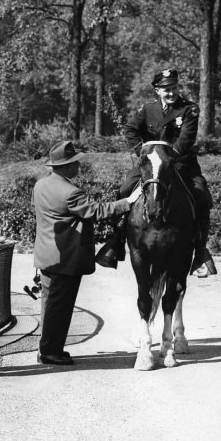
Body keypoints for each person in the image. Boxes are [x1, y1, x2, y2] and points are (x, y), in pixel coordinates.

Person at [32, 140, 141, 366]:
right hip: (66, 260)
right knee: (60, 308)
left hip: (46, 256)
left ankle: (46, 348)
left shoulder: (40, 185)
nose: (78, 166)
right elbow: (96, 211)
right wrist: (128, 201)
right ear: (65, 165)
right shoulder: (71, 191)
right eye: (75, 162)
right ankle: (51, 352)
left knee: (48, 305)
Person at [120, 67, 217, 278]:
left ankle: (200, 251)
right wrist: (143, 152)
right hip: (150, 164)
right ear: (157, 90)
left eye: (173, 88)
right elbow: (130, 130)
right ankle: (116, 241)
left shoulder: (189, 109)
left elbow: (186, 140)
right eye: (166, 89)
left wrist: (168, 157)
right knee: (125, 188)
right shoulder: (147, 109)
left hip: (181, 165)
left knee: (201, 196)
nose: (171, 93)